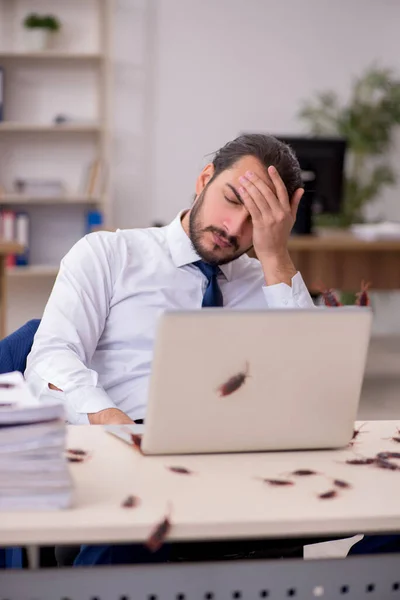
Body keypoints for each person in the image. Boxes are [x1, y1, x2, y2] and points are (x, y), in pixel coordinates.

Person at [25, 133, 316, 565]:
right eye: (233, 199)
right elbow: (49, 357)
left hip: (240, 460)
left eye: (258, 219)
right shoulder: (109, 254)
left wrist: (275, 256)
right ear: (204, 179)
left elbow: (312, 389)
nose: (235, 229)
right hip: (128, 445)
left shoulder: (271, 284)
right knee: (133, 537)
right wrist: (113, 422)